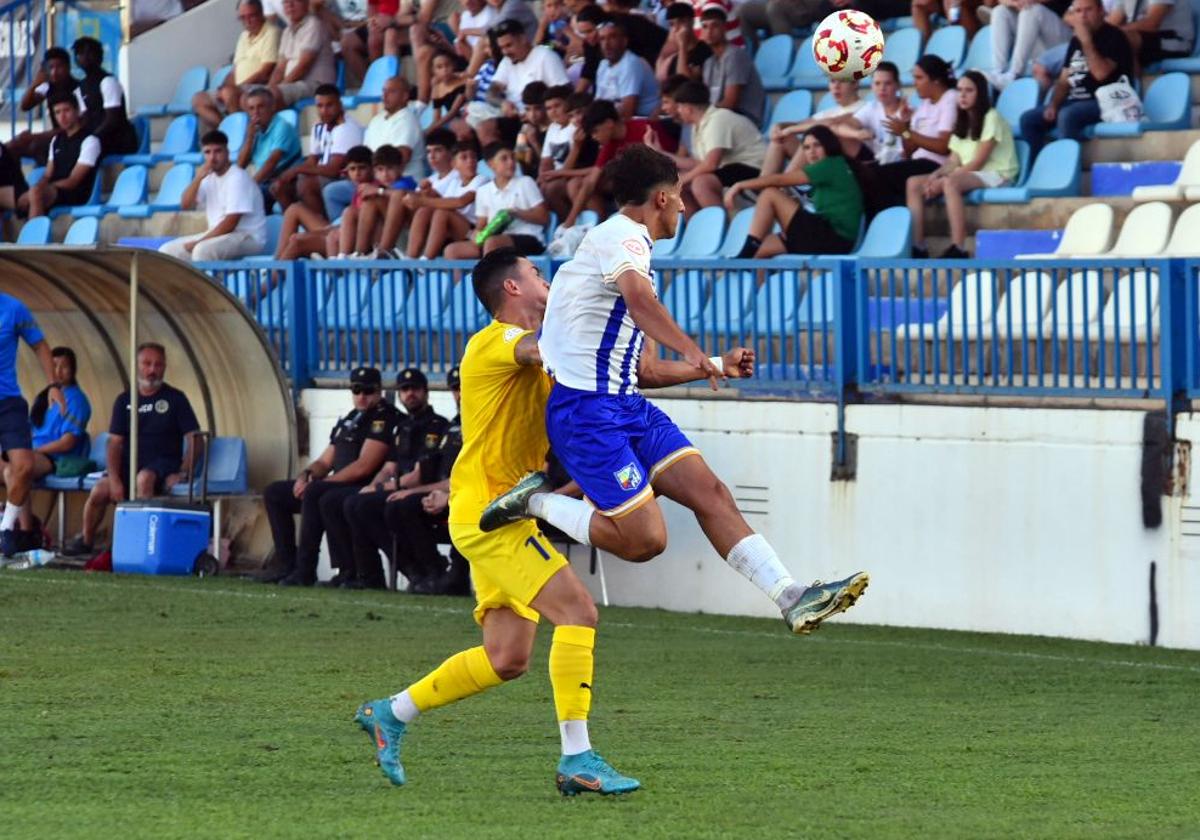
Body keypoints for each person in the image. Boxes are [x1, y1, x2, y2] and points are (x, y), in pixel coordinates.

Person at [483, 146, 868, 629]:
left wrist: (712, 364)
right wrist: (690, 348)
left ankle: (790, 597)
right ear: (662, 198)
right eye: (682, 196)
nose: (686, 208)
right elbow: (641, 302)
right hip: (585, 415)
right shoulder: (623, 238)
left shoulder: (621, 253)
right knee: (645, 542)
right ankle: (534, 500)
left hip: (626, 404)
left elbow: (642, 369)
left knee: (711, 493)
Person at [353, 248, 637, 793]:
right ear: (512, 289)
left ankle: (392, 712)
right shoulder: (496, 343)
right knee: (579, 612)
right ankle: (577, 759)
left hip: (506, 510)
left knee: (507, 657)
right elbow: (539, 349)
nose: (544, 278)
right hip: (493, 514)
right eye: (535, 272)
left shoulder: (537, 354)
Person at [259, 367, 399, 585]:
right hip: (334, 484)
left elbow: (364, 466)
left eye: (368, 391)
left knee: (318, 492)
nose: (362, 396)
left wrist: (321, 482)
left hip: (360, 486)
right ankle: (286, 563)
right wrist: (305, 475)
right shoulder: (351, 419)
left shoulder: (384, 418)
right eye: (357, 390)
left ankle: (306, 569)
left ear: (379, 390)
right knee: (275, 493)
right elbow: (325, 461)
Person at [62, 343, 201, 557]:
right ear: (137, 366)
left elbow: (196, 439)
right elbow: (114, 444)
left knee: (144, 479)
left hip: (162, 464)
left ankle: (137, 545)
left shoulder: (176, 399)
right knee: (100, 489)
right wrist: (116, 479)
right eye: (147, 364)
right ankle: (86, 540)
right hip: (130, 464)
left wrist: (183, 471)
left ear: (164, 367)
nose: (152, 370)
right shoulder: (124, 400)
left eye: (158, 364)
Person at [341, 368, 454, 590]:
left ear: (426, 391)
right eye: (404, 389)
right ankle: (388, 571)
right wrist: (375, 486)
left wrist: (390, 487)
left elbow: (419, 475)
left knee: (397, 506)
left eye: (415, 389)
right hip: (400, 488)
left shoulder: (437, 425)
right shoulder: (402, 427)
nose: (410, 394)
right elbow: (389, 466)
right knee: (355, 503)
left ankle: (431, 568)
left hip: (420, 489)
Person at [907, 71, 1019, 258]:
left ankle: (958, 247)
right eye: (959, 91)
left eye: (969, 91)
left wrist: (945, 180)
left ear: (980, 93)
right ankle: (918, 246)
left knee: (950, 183)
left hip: (998, 174)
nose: (963, 95)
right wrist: (935, 176)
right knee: (913, 183)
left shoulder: (991, 117)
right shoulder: (962, 120)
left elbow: (978, 162)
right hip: (972, 174)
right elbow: (953, 160)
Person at [726, 124, 864, 257]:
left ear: (828, 145)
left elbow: (779, 180)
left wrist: (740, 185)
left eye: (817, 145)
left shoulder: (830, 164)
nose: (812, 152)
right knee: (761, 251)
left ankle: (747, 252)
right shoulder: (836, 165)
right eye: (807, 147)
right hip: (829, 237)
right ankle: (755, 267)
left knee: (770, 194)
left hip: (834, 239)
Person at [0, 295, 67, 557]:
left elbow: (40, 345)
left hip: (9, 403)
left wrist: (53, 385)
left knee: (25, 466)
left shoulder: (14, 308)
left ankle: (7, 531)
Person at [1019, 0, 1133, 153]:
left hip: (1107, 101)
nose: (1083, 16)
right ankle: (1039, 167)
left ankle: (1066, 167)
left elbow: (1100, 74)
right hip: (1075, 101)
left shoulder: (1114, 36)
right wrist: (1054, 105)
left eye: (1088, 10)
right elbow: (1064, 81)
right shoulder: (1075, 41)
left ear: (1101, 11)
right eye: (1078, 11)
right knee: (1028, 119)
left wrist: (1087, 41)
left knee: (1068, 115)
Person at [3, 347, 91, 541]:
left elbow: (67, 443)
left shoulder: (76, 400)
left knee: (15, 471)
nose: (58, 371)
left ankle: (26, 533)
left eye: (64, 366)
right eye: (54, 366)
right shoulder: (45, 397)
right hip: (33, 452)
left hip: (57, 458)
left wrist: (32, 450)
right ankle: (10, 521)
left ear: (73, 370)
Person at [560, 98, 678, 227]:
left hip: (665, 179)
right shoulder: (609, 144)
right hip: (636, 186)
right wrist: (570, 220)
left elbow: (664, 164)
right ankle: (598, 227)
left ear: (609, 123)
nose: (594, 137)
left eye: (595, 131)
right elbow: (590, 181)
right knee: (577, 184)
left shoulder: (645, 128)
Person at [321, 76, 422, 222]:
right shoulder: (377, 119)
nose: (385, 95)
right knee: (332, 190)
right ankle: (342, 229)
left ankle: (345, 230)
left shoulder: (407, 120)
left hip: (397, 182)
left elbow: (402, 157)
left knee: (334, 192)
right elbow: (366, 153)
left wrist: (370, 173)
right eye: (384, 91)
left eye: (391, 91)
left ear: (405, 96)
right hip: (372, 177)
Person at [657, 80, 764, 215]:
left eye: (679, 107)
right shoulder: (698, 126)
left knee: (701, 183)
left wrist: (682, 180)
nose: (678, 111)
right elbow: (700, 164)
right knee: (680, 186)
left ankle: (723, 228)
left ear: (688, 108)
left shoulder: (717, 119)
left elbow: (711, 164)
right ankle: (696, 227)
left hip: (754, 166)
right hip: (731, 168)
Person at [868, 54, 959, 213]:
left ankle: (894, 221)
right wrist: (906, 125)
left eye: (919, 78)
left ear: (935, 80)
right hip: (918, 162)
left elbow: (944, 146)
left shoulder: (950, 99)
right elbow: (909, 151)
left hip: (938, 165)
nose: (914, 83)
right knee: (867, 175)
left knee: (878, 176)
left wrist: (906, 131)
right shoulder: (925, 103)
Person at [160, 130, 268, 262]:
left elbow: (231, 223)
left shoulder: (238, 177)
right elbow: (186, 205)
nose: (212, 157)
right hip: (219, 235)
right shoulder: (207, 177)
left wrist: (198, 242)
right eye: (207, 152)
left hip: (248, 236)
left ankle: (210, 283)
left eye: (218, 151)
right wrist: (197, 178)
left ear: (227, 152)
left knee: (202, 250)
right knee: (167, 251)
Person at [470, 17, 571, 147]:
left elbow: (565, 93)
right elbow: (491, 92)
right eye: (502, 48)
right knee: (481, 128)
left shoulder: (545, 56)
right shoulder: (507, 62)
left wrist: (536, 113)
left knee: (520, 144)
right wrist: (502, 103)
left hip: (541, 119)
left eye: (509, 45)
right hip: (516, 118)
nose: (505, 52)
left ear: (523, 39)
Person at [362, 128, 458, 257]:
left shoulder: (458, 176)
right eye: (428, 152)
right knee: (372, 202)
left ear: (451, 151)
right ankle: (359, 254)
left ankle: (384, 252)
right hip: (414, 226)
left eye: (438, 150)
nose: (432, 156)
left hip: (441, 230)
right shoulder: (430, 179)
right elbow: (412, 202)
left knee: (399, 195)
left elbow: (455, 207)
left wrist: (380, 190)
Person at [270, 83, 364, 214]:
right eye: (320, 106)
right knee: (279, 186)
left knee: (306, 184)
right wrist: (293, 174)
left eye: (329, 105)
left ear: (340, 104)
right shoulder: (318, 127)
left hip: (342, 177)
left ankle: (321, 226)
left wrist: (297, 170)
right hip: (323, 174)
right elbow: (312, 160)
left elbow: (333, 170)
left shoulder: (347, 128)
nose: (324, 111)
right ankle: (300, 224)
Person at [445, 143, 550, 258]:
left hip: (529, 238)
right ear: (491, 164)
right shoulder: (483, 191)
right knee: (452, 250)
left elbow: (544, 217)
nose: (511, 162)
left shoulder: (526, 182)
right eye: (504, 159)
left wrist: (516, 213)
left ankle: (487, 275)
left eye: (512, 157)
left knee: (492, 242)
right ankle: (465, 276)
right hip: (495, 240)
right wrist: (476, 233)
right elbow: (481, 225)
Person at [275, 144, 374, 259]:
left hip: (347, 240)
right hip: (336, 230)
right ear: (347, 172)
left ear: (372, 169)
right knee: (294, 209)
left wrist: (317, 233)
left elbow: (356, 227)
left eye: (362, 168)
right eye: (352, 169)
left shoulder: (372, 191)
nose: (357, 173)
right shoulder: (357, 190)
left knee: (297, 242)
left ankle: (274, 274)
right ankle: (275, 265)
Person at [193, 0, 281, 129]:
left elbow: (266, 71)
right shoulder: (243, 36)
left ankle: (239, 133)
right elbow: (234, 71)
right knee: (199, 99)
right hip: (238, 87)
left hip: (257, 86)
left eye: (251, 16)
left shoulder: (272, 32)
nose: (247, 21)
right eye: (243, 18)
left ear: (261, 13)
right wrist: (222, 88)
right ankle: (226, 130)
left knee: (229, 93)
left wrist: (237, 88)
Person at [18, 94, 100, 219]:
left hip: (77, 192)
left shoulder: (90, 140)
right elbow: (47, 175)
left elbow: (74, 180)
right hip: (53, 189)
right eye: (57, 112)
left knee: (35, 193)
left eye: (66, 110)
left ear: (77, 111)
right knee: (20, 198)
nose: (62, 117)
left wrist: (39, 190)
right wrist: (38, 188)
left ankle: (34, 236)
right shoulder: (56, 140)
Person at [762, 77, 864, 176]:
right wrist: (779, 126)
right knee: (781, 139)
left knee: (812, 137)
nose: (836, 86)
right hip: (819, 160)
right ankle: (764, 186)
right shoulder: (829, 112)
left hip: (845, 168)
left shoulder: (865, 107)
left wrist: (790, 130)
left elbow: (830, 124)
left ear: (855, 83)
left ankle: (782, 184)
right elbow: (799, 124)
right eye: (832, 81)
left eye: (842, 81)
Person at [405, 141, 489, 258]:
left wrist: (422, 201)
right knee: (424, 210)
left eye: (473, 157)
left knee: (442, 213)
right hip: (455, 229)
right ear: (454, 164)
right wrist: (427, 194)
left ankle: (426, 260)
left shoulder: (481, 180)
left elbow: (461, 202)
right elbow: (444, 202)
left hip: (474, 231)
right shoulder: (455, 182)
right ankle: (410, 259)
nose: (470, 161)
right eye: (464, 157)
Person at [9, 47, 81, 165]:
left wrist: (34, 136)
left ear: (68, 67)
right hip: (55, 136)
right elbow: (25, 106)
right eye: (50, 68)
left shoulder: (78, 88)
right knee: (11, 147)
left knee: (34, 145)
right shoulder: (47, 87)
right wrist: (36, 83)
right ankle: (16, 181)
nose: (54, 72)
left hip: (72, 138)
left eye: (59, 67)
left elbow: (76, 126)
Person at [695, 6, 764, 126]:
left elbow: (731, 102)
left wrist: (703, 114)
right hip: (720, 116)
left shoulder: (735, 56)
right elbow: (706, 98)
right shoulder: (709, 62)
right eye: (705, 27)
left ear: (724, 28)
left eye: (715, 26)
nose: (709, 31)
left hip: (743, 118)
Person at [71, 37, 139, 157]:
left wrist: (92, 139)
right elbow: (85, 119)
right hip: (99, 139)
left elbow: (112, 120)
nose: (85, 57)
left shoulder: (108, 82)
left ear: (100, 57)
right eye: (81, 53)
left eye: (90, 53)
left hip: (118, 140)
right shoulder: (80, 87)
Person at [238, 87, 302, 206]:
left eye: (260, 107)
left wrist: (250, 187)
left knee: (248, 198)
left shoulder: (282, 126)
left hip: (287, 180)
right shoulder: (255, 130)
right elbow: (241, 165)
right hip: (267, 180)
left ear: (272, 107)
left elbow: (272, 162)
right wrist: (250, 138)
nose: (255, 112)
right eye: (251, 109)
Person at [989, 0, 1073, 90]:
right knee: (1000, 11)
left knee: (1031, 9)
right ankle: (998, 72)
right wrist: (1013, 3)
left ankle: (1014, 74)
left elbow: (1071, 18)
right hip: (1035, 39)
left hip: (1063, 45)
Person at [268, 0, 337, 108]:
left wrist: (279, 88)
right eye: (285, 2)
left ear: (306, 3)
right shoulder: (287, 31)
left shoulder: (314, 24)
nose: (290, 5)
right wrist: (267, 90)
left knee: (272, 95)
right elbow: (279, 69)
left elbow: (303, 66)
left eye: (294, 1)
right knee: (248, 96)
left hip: (316, 85)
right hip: (294, 85)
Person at [837, 62, 908, 166]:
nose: (882, 88)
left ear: (898, 85)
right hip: (876, 160)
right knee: (841, 139)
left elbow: (911, 140)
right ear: (872, 86)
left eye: (887, 83)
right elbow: (840, 127)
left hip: (900, 164)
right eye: (877, 83)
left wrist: (905, 130)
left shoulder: (909, 111)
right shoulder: (871, 107)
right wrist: (857, 134)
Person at [594, 17, 660, 119]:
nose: (606, 44)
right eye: (602, 39)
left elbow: (627, 112)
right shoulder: (603, 64)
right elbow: (598, 103)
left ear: (624, 41)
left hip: (644, 119)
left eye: (612, 37)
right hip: (614, 118)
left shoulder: (631, 63)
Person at [1107, 0, 1192, 69]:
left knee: (1124, 40)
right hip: (1147, 39)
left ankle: (1132, 86)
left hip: (1174, 41)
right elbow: (1112, 22)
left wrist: (1114, 33)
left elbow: (1151, 24)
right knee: (1104, 41)